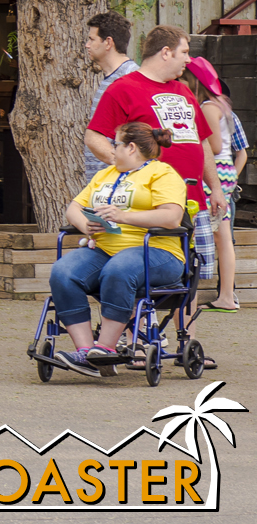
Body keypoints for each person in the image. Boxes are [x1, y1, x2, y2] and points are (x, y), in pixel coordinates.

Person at [86, 24, 226, 289]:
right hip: (148, 204)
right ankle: (135, 331)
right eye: (184, 52)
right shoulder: (122, 88)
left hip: (193, 200)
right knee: (140, 274)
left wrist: (215, 188)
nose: (188, 59)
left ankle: (187, 333)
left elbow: (201, 140)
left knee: (190, 274)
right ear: (165, 52)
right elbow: (93, 137)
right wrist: (125, 168)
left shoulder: (184, 90)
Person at [49, 123, 190, 376]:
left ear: (131, 147)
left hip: (156, 252)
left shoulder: (163, 174)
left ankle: (106, 349)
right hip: (105, 250)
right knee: (63, 271)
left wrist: (124, 217)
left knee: (119, 268)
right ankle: (86, 353)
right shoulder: (105, 174)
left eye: (116, 144)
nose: (112, 150)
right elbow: (73, 208)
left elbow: (171, 217)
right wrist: (86, 225)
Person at [186, 56, 245, 313]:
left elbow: (216, 146)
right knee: (223, 238)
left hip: (216, 173)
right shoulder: (222, 105)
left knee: (215, 234)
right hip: (227, 171)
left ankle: (222, 295)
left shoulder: (209, 106)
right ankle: (226, 296)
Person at [83, 11, 140, 180]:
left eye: (92, 39)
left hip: (122, 185)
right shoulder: (111, 78)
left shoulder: (130, 78)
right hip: (106, 184)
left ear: (108, 42)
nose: (87, 45)